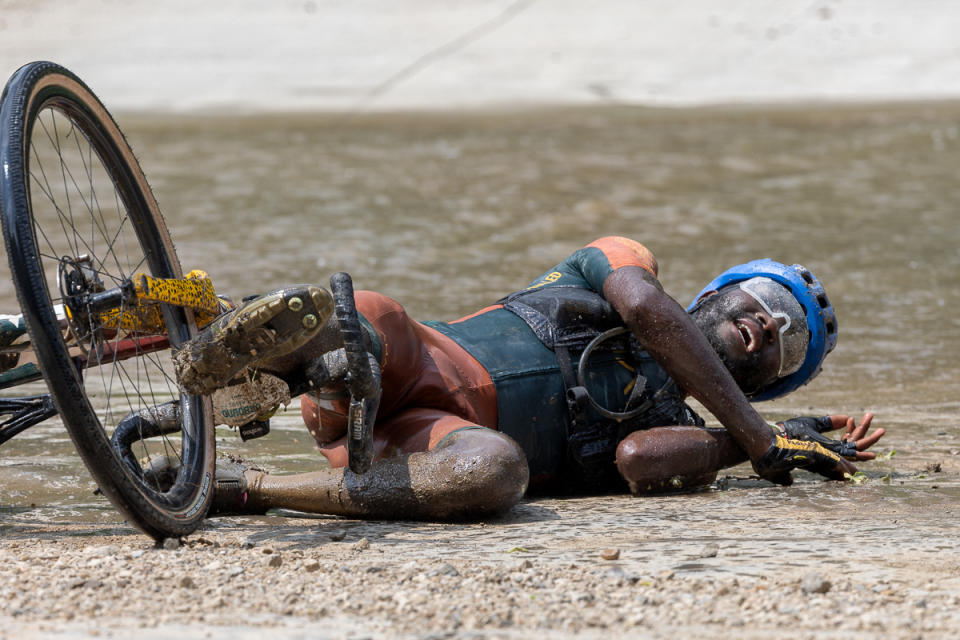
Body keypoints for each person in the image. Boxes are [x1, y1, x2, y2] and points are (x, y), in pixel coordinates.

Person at [168, 236, 884, 519]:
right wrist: (762, 441)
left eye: (786, 348)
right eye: (767, 306)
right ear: (713, 293)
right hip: (408, 357)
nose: (769, 329)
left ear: (761, 386)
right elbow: (640, 305)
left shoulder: (692, 433)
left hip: (429, 441)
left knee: (497, 473)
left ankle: (252, 488)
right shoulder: (621, 263)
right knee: (365, 317)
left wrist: (747, 444)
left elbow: (637, 460)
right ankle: (232, 342)